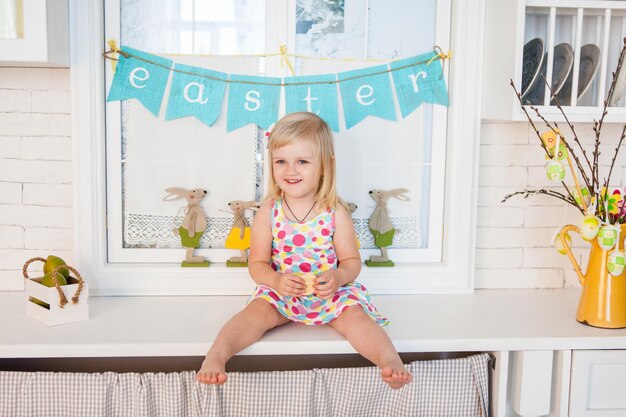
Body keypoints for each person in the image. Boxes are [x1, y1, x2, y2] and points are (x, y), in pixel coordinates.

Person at [196, 112, 411, 389]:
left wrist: (338, 277)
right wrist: (275, 281)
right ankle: (217, 354)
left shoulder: (335, 212)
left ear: (323, 166)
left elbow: (351, 261)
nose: (290, 170)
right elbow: (257, 264)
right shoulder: (268, 211)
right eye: (281, 162)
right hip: (285, 292)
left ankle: (388, 360)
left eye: (302, 162)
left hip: (329, 292)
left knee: (357, 318)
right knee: (254, 314)